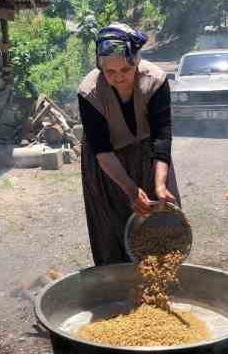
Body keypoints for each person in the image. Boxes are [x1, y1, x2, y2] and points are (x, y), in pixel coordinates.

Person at [77, 23, 180, 266]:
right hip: (106, 164)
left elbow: (162, 136)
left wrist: (159, 183)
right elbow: (102, 151)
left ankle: (161, 277)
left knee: (159, 213)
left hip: (148, 155)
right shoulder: (89, 91)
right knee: (111, 224)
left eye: (125, 68)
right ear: (100, 67)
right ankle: (117, 282)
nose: (118, 77)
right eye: (109, 71)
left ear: (137, 60)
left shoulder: (155, 80)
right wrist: (131, 190)